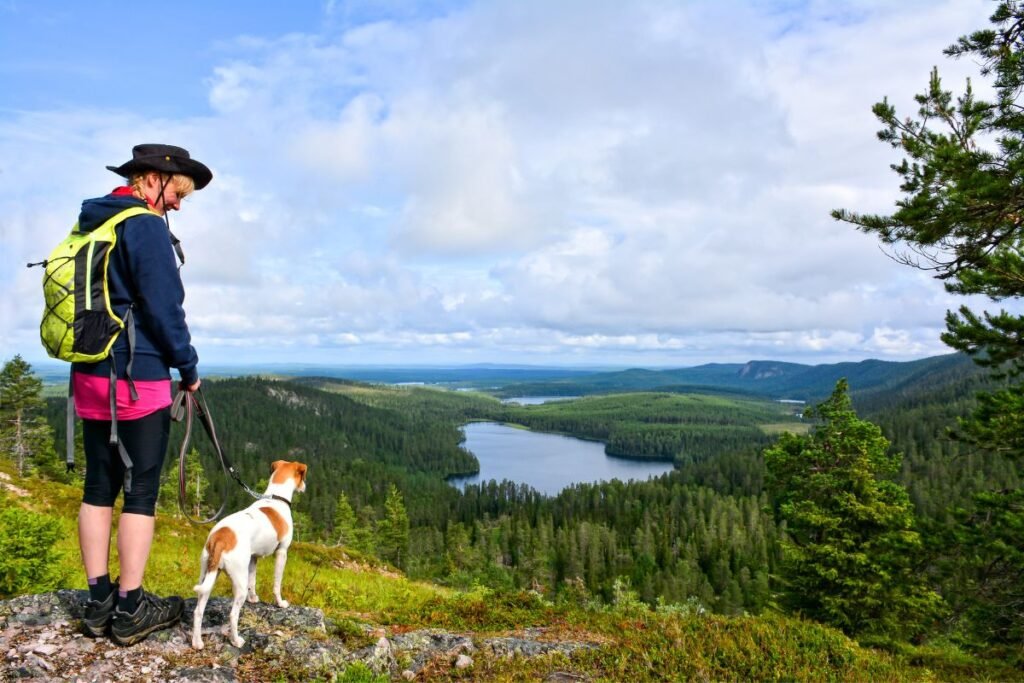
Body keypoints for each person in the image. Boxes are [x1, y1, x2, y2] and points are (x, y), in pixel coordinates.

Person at [75, 144, 212, 646]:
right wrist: (189, 368)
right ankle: (131, 608)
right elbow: (163, 306)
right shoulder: (146, 226)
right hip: (139, 377)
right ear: (152, 179)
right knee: (141, 489)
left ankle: (97, 602)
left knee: (97, 486)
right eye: (177, 192)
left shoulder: (94, 219)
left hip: (89, 374)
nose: (177, 204)